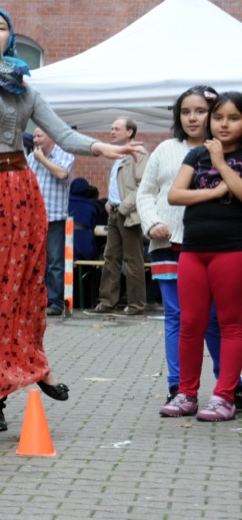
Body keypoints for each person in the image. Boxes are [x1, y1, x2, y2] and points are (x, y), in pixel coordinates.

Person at [0, 7, 141, 413]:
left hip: (20, 189)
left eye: (2, 28)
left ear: (12, 38)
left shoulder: (24, 89)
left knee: (24, 288)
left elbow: (62, 134)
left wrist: (102, 148)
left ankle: (36, 365)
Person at [138, 86, 223, 405]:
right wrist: (152, 223)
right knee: (178, 316)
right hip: (168, 243)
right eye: (186, 111)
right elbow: (145, 192)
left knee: (214, 317)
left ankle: (229, 385)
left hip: (215, 245)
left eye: (200, 111)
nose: (192, 118)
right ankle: (178, 387)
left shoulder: (227, 150)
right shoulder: (165, 149)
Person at [161, 91, 242, 421]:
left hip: (232, 250)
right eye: (218, 117)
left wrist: (221, 164)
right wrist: (215, 191)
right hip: (193, 250)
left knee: (231, 325)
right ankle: (186, 394)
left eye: (234, 118)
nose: (224, 124)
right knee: (190, 324)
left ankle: (224, 397)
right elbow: (174, 195)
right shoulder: (196, 154)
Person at [88, 117, 151, 316]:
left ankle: (136, 305)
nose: (112, 132)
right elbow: (119, 184)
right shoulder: (118, 154)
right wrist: (109, 203)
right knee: (110, 257)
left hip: (128, 214)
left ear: (130, 132)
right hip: (114, 212)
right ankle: (107, 302)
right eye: (111, 128)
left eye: (117, 128)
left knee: (132, 259)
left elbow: (144, 186)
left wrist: (124, 207)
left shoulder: (139, 153)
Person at [27, 127, 75, 316]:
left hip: (55, 217)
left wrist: (42, 160)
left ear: (51, 137)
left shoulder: (64, 155)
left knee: (55, 262)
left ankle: (55, 302)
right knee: (34, 262)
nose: (36, 140)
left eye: (39, 136)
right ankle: (35, 301)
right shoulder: (31, 158)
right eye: (34, 136)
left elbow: (62, 174)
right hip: (33, 218)